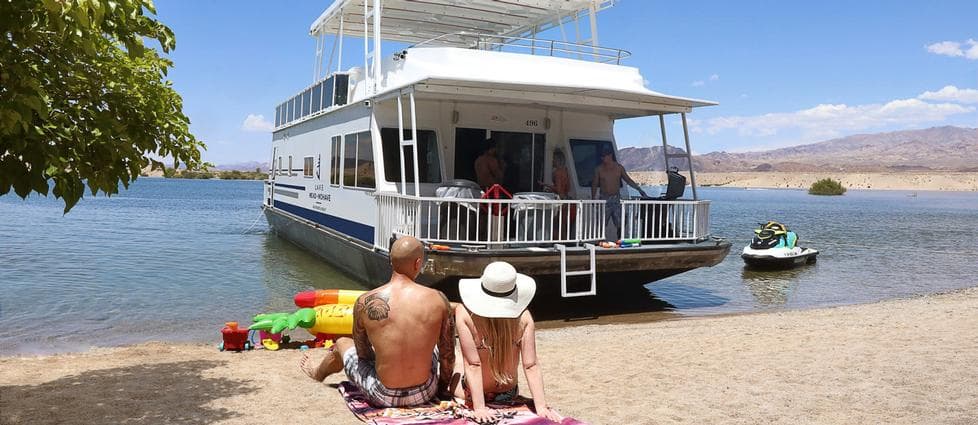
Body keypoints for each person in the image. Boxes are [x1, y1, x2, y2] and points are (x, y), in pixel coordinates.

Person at [299, 236, 455, 407]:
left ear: (390, 261)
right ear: (418, 263)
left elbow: (363, 354)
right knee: (429, 342)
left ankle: (317, 373)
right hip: (425, 392)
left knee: (342, 343)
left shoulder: (364, 301)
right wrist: (440, 389)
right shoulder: (438, 299)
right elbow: (447, 355)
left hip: (382, 395)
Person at [453, 262, 562, 423]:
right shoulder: (524, 317)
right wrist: (541, 406)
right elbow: (530, 365)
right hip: (508, 393)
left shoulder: (464, 313)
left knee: (457, 366)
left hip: (472, 393)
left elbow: (473, 364)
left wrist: (480, 408)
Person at [591, 146, 648, 239]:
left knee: (621, 221)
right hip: (604, 199)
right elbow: (594, 184)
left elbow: (628, 180)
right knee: (601, 222)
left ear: (610, 155)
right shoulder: (599, 169)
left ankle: (620, 239)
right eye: (601, 156)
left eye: (604, 156)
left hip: (616, 198)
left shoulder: (619, 168)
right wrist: (593, 199)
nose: (602, 158)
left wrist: (639, 190)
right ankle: (600, 241)